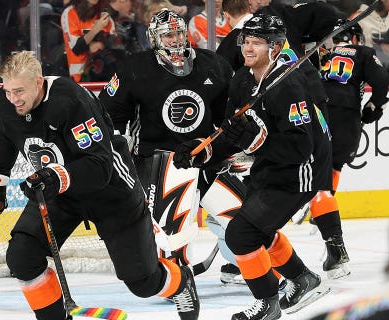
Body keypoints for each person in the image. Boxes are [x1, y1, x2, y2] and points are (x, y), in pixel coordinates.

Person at [0, 50, 200, 320]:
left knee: (142, 282)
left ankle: (180, 281)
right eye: (8, 91)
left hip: (111, 193)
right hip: (60, 194)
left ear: (38, 82)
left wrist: (53, 177)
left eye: (20, 91)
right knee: (22, 257)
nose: (13, 99)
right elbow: (7, 133)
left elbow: (100, 166)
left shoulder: (71, 100)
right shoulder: (5, 102)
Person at [174, 14, 332, 319]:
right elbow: (230, 133)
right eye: (245, 41)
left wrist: (256, 143)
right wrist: (202, 153)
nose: (247, 48)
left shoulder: (289, 85)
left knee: (241, 234)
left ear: (274, 47)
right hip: (272, 164)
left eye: (256, 43)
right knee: (256, 229)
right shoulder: (242, 81)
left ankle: (268, 303)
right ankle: (303, 280)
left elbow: (300, 148)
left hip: (303, 169)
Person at [98, 8, 248, 286]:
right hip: (160, 161)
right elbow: (107, 114)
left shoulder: (212, 64)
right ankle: (177, 279)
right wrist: (116, 155)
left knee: (245, 219)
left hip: (206, 155)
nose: (175, 40)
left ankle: (248, 268)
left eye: (178, 33)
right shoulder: (134, 68)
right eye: (168, 35)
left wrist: (232, 142)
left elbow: (228, 114)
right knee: (172, 235)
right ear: (155, 38)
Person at [316, 19, 389, 279]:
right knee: (334, 164)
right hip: (346, 116)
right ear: (356, 38)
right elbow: (381, 80)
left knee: (319, 167)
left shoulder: (321, 54)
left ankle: (321, 206)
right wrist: (375, 105)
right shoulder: (364, 52)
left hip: (320, 112)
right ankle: (325, 208)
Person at [60, 0, 116, 82]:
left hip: (105, 76)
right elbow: (76, 47)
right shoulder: (70, 12)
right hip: (78, 77)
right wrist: (95, 30)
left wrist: (99, 44)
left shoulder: (104, 14)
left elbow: (113, 44)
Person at [216, 0, 252, 71]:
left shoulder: (229, 42)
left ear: (226, 15)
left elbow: (220, 73)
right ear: (249, 9)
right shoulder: (270, 25)